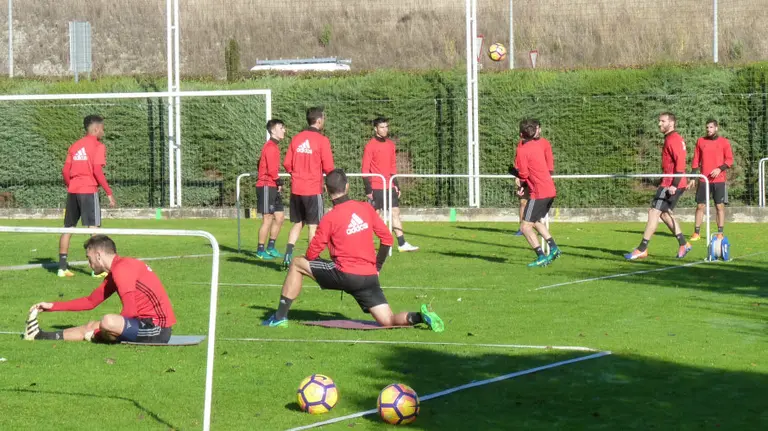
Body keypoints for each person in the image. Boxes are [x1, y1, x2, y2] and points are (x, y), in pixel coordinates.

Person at [262, 169, 443, 332]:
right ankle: (419, 317)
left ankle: (279, 318)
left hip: (345, 274)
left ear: (326, 190)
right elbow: (387, 239)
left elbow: (312, 254)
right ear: (347, 186)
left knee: (297, 263)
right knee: (388, 320)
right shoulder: (366, 208)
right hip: (369, 276)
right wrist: (377, 268)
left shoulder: (329, 218)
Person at [24, 235, 176, 344]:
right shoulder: (117, 270)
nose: (89, 264)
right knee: (92, 325)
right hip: (141, 324)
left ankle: (99, 336)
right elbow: (90, 301)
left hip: (157, 329)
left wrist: (99, 333)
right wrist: (52, 306)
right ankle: (40, 336)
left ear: (98, 256)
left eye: (89, 259)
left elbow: (130, 312)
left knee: (107, 322)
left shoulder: (122, 270)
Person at [625, 112, 691, 260]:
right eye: (659, 121)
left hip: (671, 183)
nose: (659, 124)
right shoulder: (672, 138)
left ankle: (642, 248)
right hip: (672, 181)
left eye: (662, 121)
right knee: (664, 214)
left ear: (672, 123)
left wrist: (673, 184)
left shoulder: (673, 139)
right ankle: (683, 244)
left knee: (653, 212)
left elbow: (680, 162)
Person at [58, 115, 116, 278]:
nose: (103, 132)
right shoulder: (98, 146)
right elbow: (97, 171)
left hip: (73, 191)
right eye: (102, 129)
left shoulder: (75, 146)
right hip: (88, 190)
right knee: (94, 229)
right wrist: (109, 192)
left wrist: (71, 185)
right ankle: (97, 269)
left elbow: (65, 171)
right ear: (96, 129)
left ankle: (62, 268)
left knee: (67, 228)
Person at [281, 107, 335, 268]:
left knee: (297, 223)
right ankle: (312, 260)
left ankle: (287, 255)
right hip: (312, 189)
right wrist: (328, 183)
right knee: (313, 225)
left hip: (296, 189)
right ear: (319, 120)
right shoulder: (322, 140)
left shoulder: (296, 138)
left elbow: (286, 164)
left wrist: (297, 174)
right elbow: (329, 167)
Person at [509, 119, 561, 267]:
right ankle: (554, 248)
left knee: (525, 227)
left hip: (538, 193)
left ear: (520, 134)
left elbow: (524, 174)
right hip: (549, 190)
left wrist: (516, 174)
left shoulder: (522, 149)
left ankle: (541, 255)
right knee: (535, 221)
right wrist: (525, 183)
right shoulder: (539, 145)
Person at [362, 117, 418, 252]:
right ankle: (368, 246)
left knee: (395, 212)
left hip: (389, 185)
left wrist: (396, 185)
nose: (385, 129)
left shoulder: (391, 145)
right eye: (382, 127)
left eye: (386, 127)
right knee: (375, 216)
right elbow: (365, 169)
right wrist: (368, 189)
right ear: (375, 129)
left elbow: (393, 167)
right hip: (376, 186)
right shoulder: (370, 146)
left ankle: (402, 243)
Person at [687, 119, 733, 241]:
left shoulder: (724, 142)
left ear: (716, 128)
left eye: (711, 127)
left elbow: (729, 160)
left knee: (719, 206)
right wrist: (692, 177)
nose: (709, 129)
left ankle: (720, 233)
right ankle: (696, 233)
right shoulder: (700, 141)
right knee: (700, 206)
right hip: (703, 180)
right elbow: (696, 160)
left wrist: (719, 169)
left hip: (719, 180)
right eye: (707, 127)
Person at [511, 119, 553, 236]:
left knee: (536, 204)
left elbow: (548, 160)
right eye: (536, 128)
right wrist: (518, 176)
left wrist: (548, 175)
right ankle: (522, 227)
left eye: (539, 128)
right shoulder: (522, 144)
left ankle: (535, 227)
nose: (537, 130)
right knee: (523, 202)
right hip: (525, 178)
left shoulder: (544, 143)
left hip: (538, 181)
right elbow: (518, 160)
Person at [255, 119, 287, 260]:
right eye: (281, 127)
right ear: (273, 130)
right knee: (267, 218)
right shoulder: (270, 147)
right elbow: (272, 170)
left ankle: (271, 247)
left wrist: (278, 183)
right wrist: (278, 180)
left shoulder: (274, 147)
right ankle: (260, 250)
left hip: (272, 185)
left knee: (279, 217)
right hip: (266, 185)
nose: (284, 130)